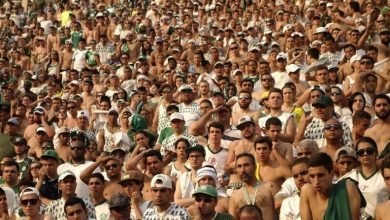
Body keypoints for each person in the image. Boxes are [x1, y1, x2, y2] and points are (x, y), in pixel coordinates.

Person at [300, 153, 364, 220]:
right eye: (312, 176)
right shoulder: (307, 191)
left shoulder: (347, 188)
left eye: (320, 175)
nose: (316, 182)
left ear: (332, 174)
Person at [341, 136, 389, 219]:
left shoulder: (386, 177)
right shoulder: (349, 177)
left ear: (376, 153)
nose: (365, 154)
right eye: (361, 152)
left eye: (369, 151)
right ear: (357, 156)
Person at [229, 153, 278, 220]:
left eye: (246, 165)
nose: (243, 170)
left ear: (255, 167)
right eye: (239, 166)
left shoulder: (270, 187)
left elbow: (282, 213)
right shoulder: (234, 195)